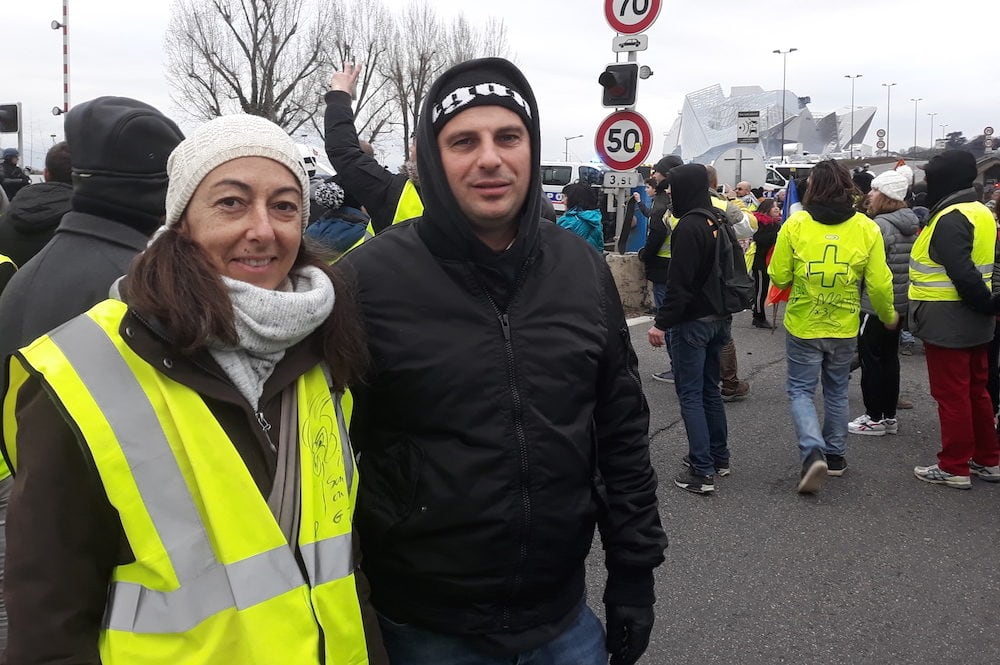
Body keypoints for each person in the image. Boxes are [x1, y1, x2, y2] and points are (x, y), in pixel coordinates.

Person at [2, 113, 386, 664]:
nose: (263, 229)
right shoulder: (81, 373)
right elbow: (48, 624)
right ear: (181, 221)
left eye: (284, 205)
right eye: (231, 202)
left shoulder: (322, 356)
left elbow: (342, 567)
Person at [341, 57, 666, 665]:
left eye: (507, 137)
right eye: (464, 141)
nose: (490, 158)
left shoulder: (580, 269)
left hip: (562, 619)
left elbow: (621, 435)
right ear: (432, 160)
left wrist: (633, 575)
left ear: (531, 150)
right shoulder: (366, 280)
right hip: (423, 625)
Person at [768, 160, 898, 494]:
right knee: (837, 389)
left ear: (812, 187)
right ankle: (836, 456)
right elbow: (881, 284)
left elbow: (780, 275)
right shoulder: (866, 228)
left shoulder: (796, 224)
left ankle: (813, 450)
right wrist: (887, 315)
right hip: (843, 325)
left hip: (804, 323)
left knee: (800, 390)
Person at [909, 151, 1000, 489]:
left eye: (931, 177)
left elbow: (961, 272)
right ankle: (988, 459)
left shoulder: (950, 217)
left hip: (949, 316)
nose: (927, 184)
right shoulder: (980, 211)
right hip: (976, 319)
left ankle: (954, 466)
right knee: (977, 390)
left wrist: (982, 301)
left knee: (952, 394)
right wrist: (988, 305)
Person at [647, 163, 734, 495]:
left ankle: (701, 471)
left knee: (690, 395)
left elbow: (679, 286)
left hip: (692, 323)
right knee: (710, 390)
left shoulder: (688, 227)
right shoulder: (717, 220)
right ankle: (719, 457)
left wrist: (660, 324)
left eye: (673, 187)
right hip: (719, 319)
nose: (669, 192)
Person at [848, 170, 918, 437]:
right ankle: (889, 416)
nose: (870, 194)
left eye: (875, 190)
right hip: (900, 303)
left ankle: (873, 416)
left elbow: (869, 270)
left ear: (886, 195)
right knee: (889, 359)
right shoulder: (909, 223)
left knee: (871, 360)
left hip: (875, 304)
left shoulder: (878, 226)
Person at [325, 63, 423, 235]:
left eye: (415, 142)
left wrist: (340, 95)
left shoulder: (394, 193)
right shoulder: (470, 197)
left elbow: (343, 150)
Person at [639, 155, 682, 382]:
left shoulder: (664, 202)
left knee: (668, 320)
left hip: (664, 269)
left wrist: (645, 255)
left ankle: (677, 368)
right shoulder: (687, 198)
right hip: (680, 268)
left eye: (657, 172)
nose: (653, 175)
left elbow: (657, 232)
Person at [0, 141, 73, 268]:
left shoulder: (6, 221)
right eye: (15, 157)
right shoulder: (88, 222)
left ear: (46, 174)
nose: (17, 159)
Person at [750, 198, 782, 328]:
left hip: (769, 261)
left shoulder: (776, 224)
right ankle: (758, 316)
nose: (777, 209)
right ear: (766, 208)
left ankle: (758, 314)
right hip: (760, 262)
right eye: (773, 206)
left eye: (778, 206)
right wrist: (777, 235)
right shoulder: (759, 222)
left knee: (764, 290)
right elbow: (760, 240)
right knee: (760, 291)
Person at [556, 182, 604, 252]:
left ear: (573, 199)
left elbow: (556, 247)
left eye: (564, 197)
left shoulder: (567, 221)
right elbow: (600, 246)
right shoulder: (596, 219)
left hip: (571, 261)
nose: (562, 201)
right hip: (592, 261)